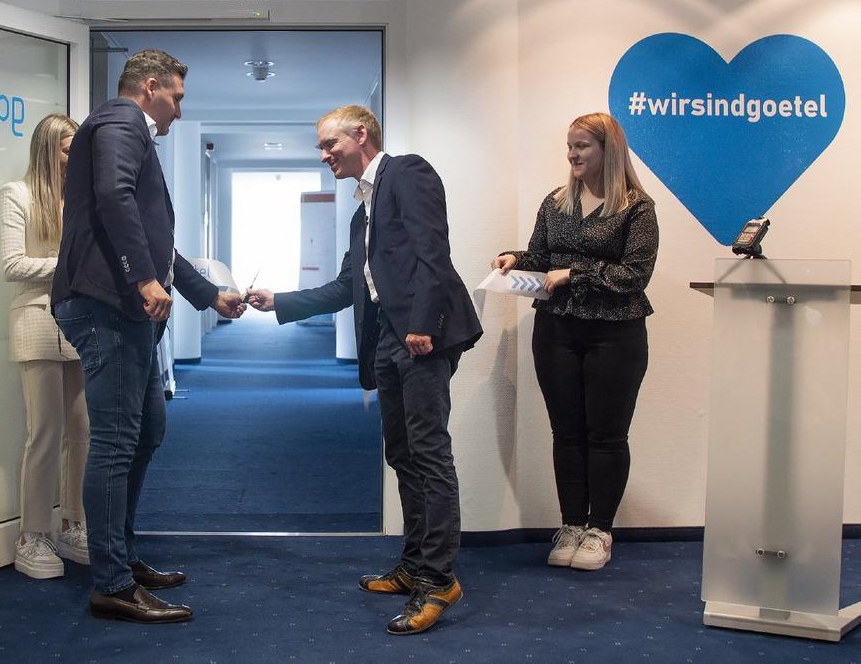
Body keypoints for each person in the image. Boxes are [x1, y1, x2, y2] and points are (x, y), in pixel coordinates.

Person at [246, 104, 482, 636]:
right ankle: (414, 565)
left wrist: (422, 324)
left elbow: (433, 253)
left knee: (429, 455)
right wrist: (279, 300)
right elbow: (345, 288)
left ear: (361, 135)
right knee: (403, 455)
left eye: (330, 144)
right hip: (388, 341)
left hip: (422, 337)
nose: (324, 155)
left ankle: (439, 580)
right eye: (321, 148)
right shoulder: (362, 213)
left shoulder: (408, 172)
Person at [51, 49, 246, 623]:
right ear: (151, 86)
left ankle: (119, 557)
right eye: (176, 98)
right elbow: (114, 198)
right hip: (105, 305)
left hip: (122, 309)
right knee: (116, 442)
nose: (179, 111)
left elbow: (158, 240)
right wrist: (141, 277)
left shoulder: (128, 130)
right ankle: (111, 583)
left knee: (146, 431)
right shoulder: (120, 121)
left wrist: (208, 295)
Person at [492, 112, 658, 571]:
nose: (572, 154)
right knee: (565, 433)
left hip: (615, 333)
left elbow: (635, 275)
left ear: (609, 149)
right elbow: (541, 257)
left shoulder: (638, 208)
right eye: (570, 146)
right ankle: (571, 525)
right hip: (557, 329)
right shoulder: (556, 202)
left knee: (605, 435)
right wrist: (515, 258)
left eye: (582, 146)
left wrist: (575, 273)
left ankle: (599, 530)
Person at [0, 113, 89, 579]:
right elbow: (12, 264)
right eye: (69, 149)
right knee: (46, 432)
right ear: (48, 149)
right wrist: (67, 263)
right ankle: (32, 534)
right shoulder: (17, 194)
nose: (76, 157)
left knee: (82, 429)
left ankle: (73, 523)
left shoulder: (80, 197)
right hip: (35, 320)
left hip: (78, 321)